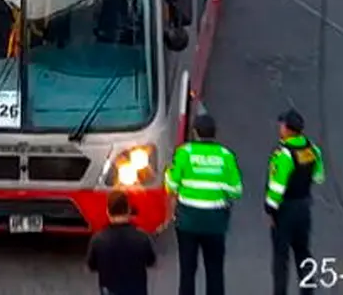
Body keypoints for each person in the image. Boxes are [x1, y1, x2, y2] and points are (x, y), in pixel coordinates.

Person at [165, 113, 243, 295]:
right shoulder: (226, 156)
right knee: (215, 271)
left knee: (187, 271)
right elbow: (236, 191)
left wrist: (169, 173)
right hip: (215, 224)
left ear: (194, 132)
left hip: (187, 222)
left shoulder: (185, 152)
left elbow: (171, 185)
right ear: (215, 133)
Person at [266, 109, 325, 295]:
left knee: (281, 259)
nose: (280, 127)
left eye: (282, 124)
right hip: (304, 208)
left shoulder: (283, 155)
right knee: (303, 253)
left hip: (285, 210)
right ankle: (308, 292)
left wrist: (270, 210)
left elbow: (276, 188)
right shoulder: (313, 150)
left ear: (288, 129)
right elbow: (319, 177)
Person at [86, 190, 157, 295]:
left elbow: (91, 266)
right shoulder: (142, 237)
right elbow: (151, 261)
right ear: (128, 210)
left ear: (108, 211)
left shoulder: (98, 239)